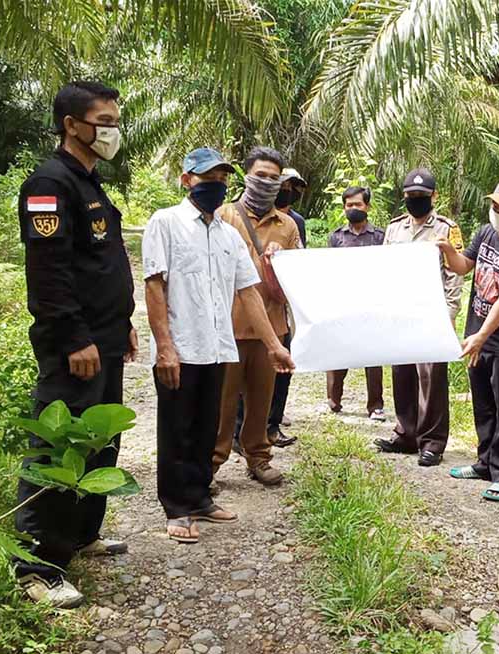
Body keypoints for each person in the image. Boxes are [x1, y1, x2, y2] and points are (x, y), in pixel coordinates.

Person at [15, 81, 137, 608]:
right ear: (71, 124)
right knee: (58, 444)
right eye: (102, 120)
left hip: (105, 338)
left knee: (99, 441)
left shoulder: (90, 181)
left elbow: (100, 263)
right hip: (76, 346)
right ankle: (36, 565)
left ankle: (81, 535)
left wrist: (122, 322)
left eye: (114, 120)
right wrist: (74, 337)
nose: (111, 130)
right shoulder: (50, 182)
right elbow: (49, 273)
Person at [143, 147, 294, 544]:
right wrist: (164, 347)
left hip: (218, 349)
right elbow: (154, 285)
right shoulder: (166, 223)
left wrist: (274, 345)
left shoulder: (229, 236)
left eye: (222, 179)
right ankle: (176, 508)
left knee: (207, 426)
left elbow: (249, 295)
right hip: (181, 348)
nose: (217, 185)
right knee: (177, 429)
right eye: (208, 178)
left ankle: (199, 498)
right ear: (186, 180)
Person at [436, 178, 499, 502]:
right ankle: (485, 462)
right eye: (494, 206)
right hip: (477, 332)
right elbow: (464, 267)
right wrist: (449, 250)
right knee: (483, 403)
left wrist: (481, 336)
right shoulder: (485, 232)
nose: (497, 212)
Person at [212, 146, 301, 486]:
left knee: (262, 402)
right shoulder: (222, 216)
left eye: (273, 177)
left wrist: (281, 263)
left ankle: (258, 458)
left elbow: (297, 280)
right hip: (230, 328)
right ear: (247, 175)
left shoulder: (288, 225)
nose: (266, 182)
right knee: (222, 403)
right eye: (260, 175)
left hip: (272, 330)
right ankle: (213, 461)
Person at [375, 168, 463, 466]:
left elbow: (454, 275)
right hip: (401, 313)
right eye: (411, 196)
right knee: (402, 374)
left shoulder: (447, 228)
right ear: (404, 197)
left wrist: (450, 314)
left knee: (431, 379)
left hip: (432, 313)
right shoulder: (394, 228)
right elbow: (384, 269)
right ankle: (406, 433)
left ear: (433, 196)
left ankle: (432, 442)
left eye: (422, 196)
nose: (416, 201)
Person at [326, 186, 386, 421]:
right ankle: (333, 400)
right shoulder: (337, 237)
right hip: (344, 302)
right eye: (349, 205)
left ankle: (376, 405)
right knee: (340, 351)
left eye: (358, 205)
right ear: (344, 208)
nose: (353, 209)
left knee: (373, 355)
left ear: (367, 207)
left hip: (372, 303)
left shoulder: (380, 236)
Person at [264, 167, 309, 447]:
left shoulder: (296, 223)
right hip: (253, 303)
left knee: (283, 366)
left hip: (283, 306)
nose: (287, 190)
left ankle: (272, 423)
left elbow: (300, 260)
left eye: (293, 186)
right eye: (284, 185)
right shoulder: (250, 216)